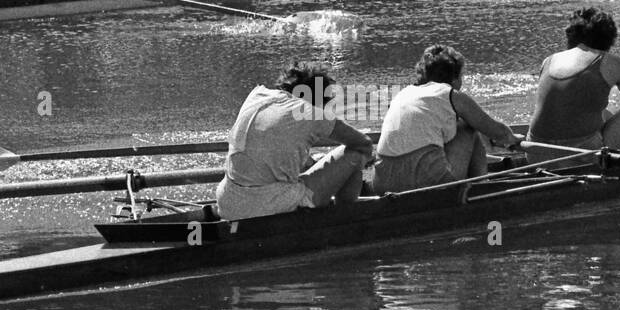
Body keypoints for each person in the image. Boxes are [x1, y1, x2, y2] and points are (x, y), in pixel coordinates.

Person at [216, 63, 373, 220]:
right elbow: (363, 143)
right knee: (356, 154)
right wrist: (366, 159)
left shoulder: (258, 95)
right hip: (265, 207)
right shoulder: (309, 111)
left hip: (228, 203)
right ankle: (345, 221)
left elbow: (270, 151)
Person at [374, 45, 521, 194]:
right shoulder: (450, 94)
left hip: (382, 183)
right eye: (461, 76)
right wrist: (514, 139)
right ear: (454, 78)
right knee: (468, 127)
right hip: (427, 182)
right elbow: (499, 133)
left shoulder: (403, 93)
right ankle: (481, 189)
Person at [526, 8, 620, 161]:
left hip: (534, 153)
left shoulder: (549, 60)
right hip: (582, 155)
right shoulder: (614, 63)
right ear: (609, 38)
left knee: (603, 112)